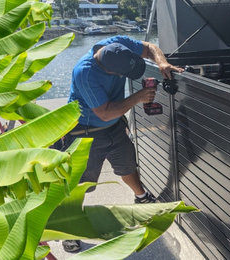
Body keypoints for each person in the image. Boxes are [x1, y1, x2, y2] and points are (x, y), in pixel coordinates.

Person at [61, 35, 183, 252]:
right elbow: (105, 113)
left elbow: (149, 46)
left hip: (114, 126)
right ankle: (70, 228)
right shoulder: (85, 73)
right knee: (80, 184)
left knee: (127, 164)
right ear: (111, 71)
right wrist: (138, 97)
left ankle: (142, 198)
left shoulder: (118, 44)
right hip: (85, 131)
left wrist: (161, 62)